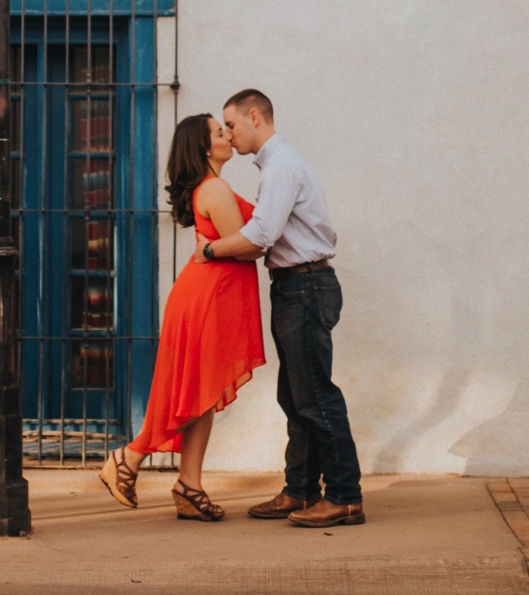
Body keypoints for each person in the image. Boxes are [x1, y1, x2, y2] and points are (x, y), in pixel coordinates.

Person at [195, 89, 364, 527]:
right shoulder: (276, 165)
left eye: (231, 125)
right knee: (295, 396)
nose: (229, 135)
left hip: (305, 285)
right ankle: (301, 490)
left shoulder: (281, 166)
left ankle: (344, 496)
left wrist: (210, 251)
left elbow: (259, 236)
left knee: (315, 396)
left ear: (255, 116)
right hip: (296, 286)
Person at [99, 112, 265, 521]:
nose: (226, 134)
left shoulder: (211, 187)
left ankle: (189, 486)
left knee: (200, 393)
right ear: (204, 146)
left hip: (208, 294)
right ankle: (128, 456)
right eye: (218, 131)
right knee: (190, 391)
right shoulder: (216, 188)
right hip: (208, 297)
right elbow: (246, 246)